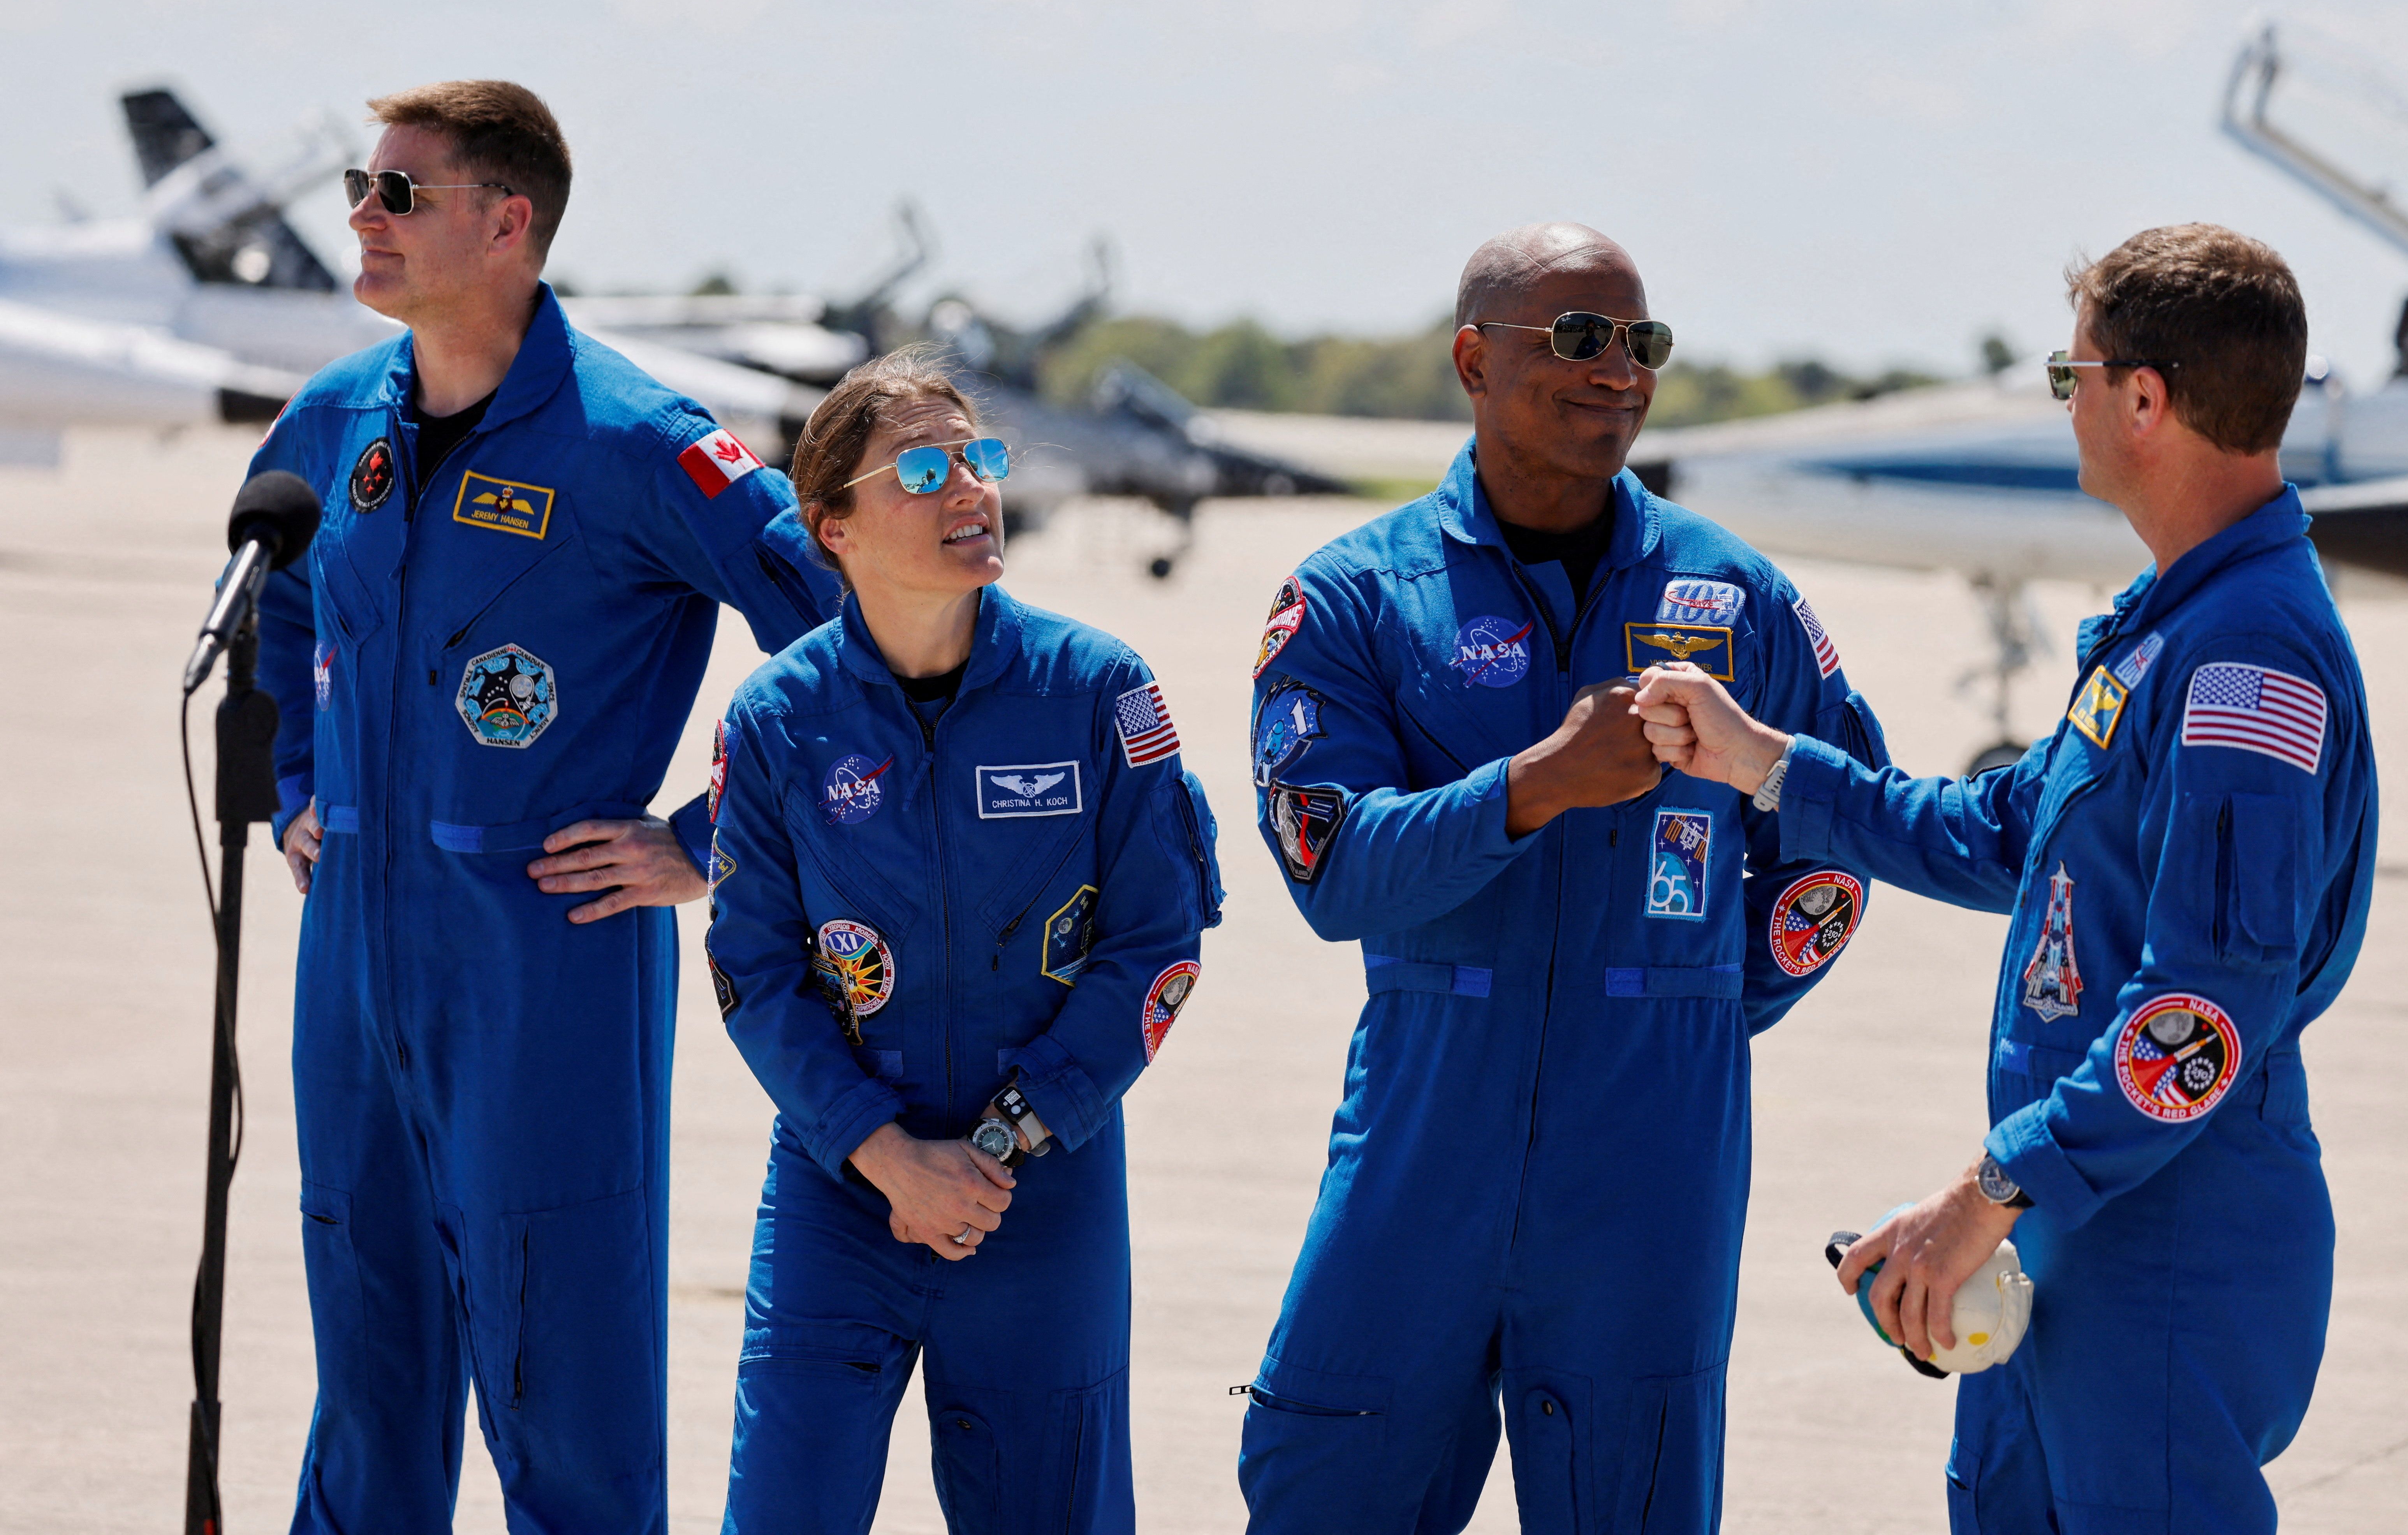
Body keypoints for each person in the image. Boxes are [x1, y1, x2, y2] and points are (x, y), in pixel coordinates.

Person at [1636, 224, 2376, 1535]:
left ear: (2142, 398)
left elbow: (2196, 1021)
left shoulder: (2242, 663)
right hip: (2077, 1224)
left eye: (2069, 373)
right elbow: (1998, 832)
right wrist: (1764, 763)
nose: (2066, 402)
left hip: (2164, 1243)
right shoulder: (2169, 628)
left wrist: (1985, 1198)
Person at [1235, 223, 1889, 1532]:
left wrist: (1693, 1003)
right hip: (1420, 1158)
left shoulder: (1734, 598)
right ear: (1474, 359)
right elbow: (1333, 873)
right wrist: (1535, 784)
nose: (1619, 372)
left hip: (1649, 1172)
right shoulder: (1355, 599)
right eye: (1580, 338)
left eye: (1642, 343)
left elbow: (1836, 844)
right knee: (1326, 1487)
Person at [246, 80, 836, 1533]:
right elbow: (277, 609)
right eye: (360, 186)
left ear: (508, 222)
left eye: (401, 194)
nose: (360, 219)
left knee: (560, 1362)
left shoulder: (639, 441)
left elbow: (845, 648)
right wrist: (298, 790)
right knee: (368, 1341)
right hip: (357, 960)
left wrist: (706, 842)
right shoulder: (334, 421)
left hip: (547, 958)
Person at [704, 347, 1224, 1533]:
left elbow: (1158, 940)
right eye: (925, 469)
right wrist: (887, 1156)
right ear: (832, 527)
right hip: (846, 1187)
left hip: (1040, 1190)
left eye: (979, 460)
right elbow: (754, 969)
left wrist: (995, 1144)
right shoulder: (779, 720)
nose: (971, 491)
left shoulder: (1097, 689)